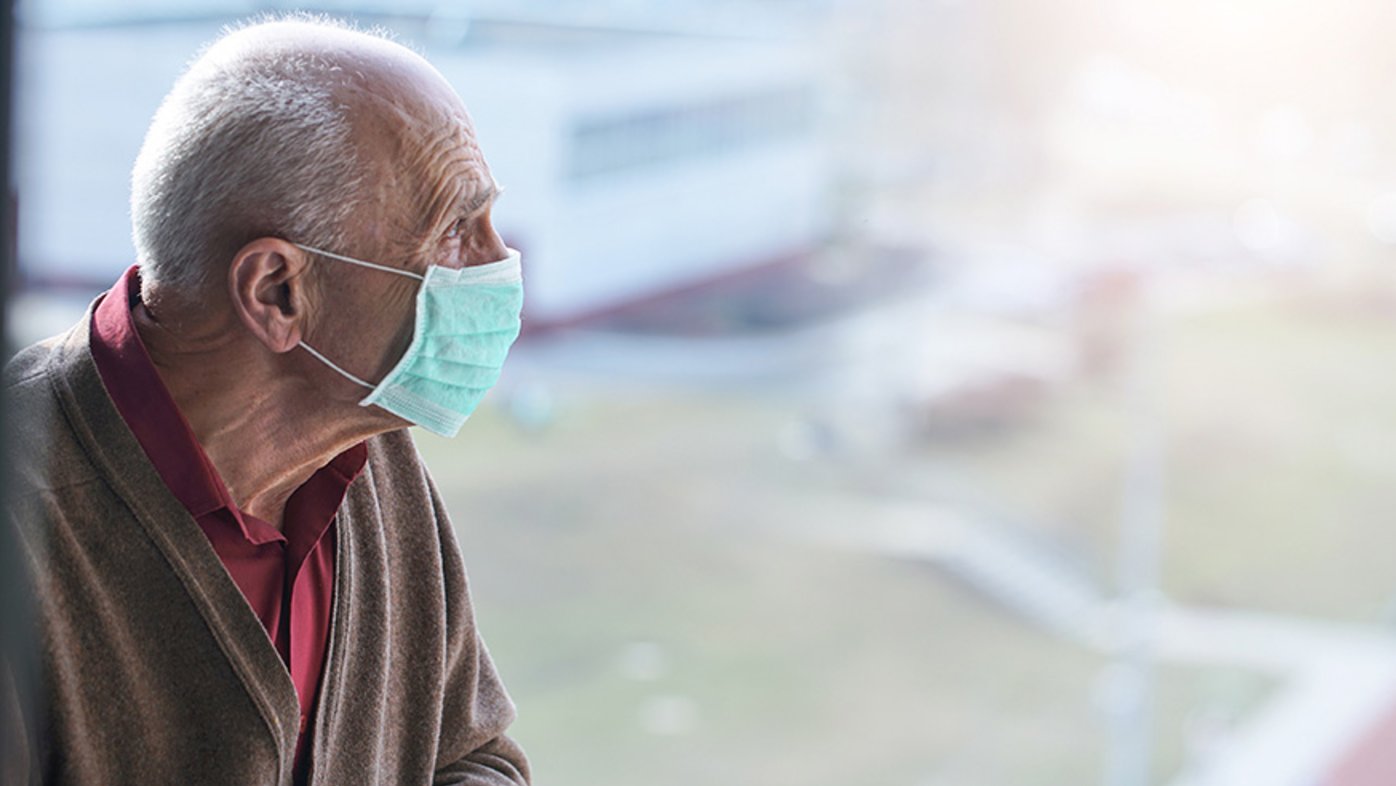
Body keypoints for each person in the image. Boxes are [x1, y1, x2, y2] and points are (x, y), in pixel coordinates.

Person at [1, 15, 530, 785]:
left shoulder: (371, 451)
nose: (500, 261)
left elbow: (471, 754)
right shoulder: (26, 516)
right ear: (276, 291)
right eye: (454, 229)